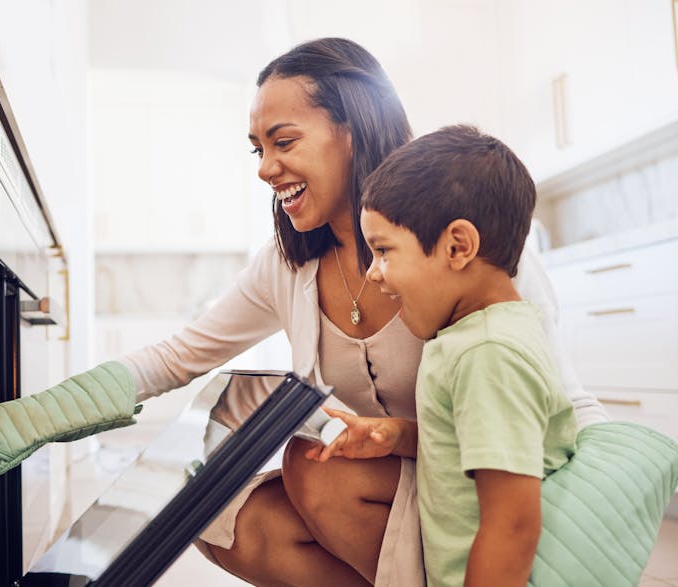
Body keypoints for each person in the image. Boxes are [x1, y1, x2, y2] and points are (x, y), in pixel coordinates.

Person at [119, 38, 607, 586]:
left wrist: (597, 525)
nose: (265, 169)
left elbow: (549, 410)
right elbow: (181, 354)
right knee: (231, 511)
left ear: (353, 131)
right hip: (425, 473)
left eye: (283, 141)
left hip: (487, 493)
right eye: (258, 149)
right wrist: (39, 416)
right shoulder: (289, 264)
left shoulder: (472, 259)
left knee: (318, 474)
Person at [311, 124, 578, 586]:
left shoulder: (488, 354)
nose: (372, 274)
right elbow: (469, 450)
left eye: (383, 251)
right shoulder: (474, 340)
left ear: (458, 247)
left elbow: (512, 524)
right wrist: (397, 436)